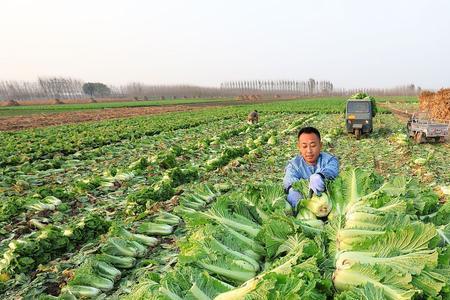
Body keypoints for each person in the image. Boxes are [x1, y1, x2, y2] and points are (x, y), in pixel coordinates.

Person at [283, 126, 339, 209]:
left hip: (329, 206)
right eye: (304, 146)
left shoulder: (330, 160)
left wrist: (321, 176)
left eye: (313, 145)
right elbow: (289, 179)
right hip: (304, 208)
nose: (309, 151)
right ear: (299, 147)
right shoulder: (294, 165)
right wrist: (292, 190)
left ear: (320, 145)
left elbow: (332, 170)